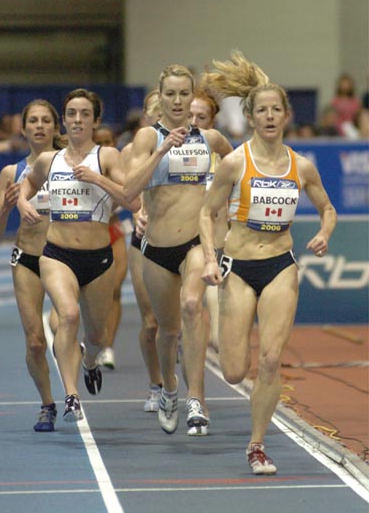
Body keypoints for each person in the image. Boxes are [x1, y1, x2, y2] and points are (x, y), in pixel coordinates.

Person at [199, 50, 337, 473]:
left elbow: (327, 209)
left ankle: (257, 445)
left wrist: (324, 233)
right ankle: (208, 316)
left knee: (271, 360)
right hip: (238, 268)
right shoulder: (236, 163)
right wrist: (209, 258)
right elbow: (206, 212)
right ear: (252, 117)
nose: (270, 116)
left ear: (287, 116)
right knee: (235, 369)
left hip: (280, 266)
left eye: (277, 109)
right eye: (262, 110)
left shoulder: (303, 166)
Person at [17, 88, 139, 423]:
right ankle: (71, 396)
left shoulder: (108, 156)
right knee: (68, 316)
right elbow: (26, 187)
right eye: (71, 113)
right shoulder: (49, 160)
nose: (77, 120)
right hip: (56, 254)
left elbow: (132, 200)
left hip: (98, 258)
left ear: (95, 120)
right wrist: (23, 203)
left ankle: (89, 361)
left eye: (84, 114)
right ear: (64, 120)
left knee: (97, 335)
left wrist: (97, 178)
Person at [124, 65, 233, 436]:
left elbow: (235, 170)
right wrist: (162, 150)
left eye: (184, 94)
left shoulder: (212, 139)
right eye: (170, 94)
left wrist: (225, 215)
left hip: (195, 245)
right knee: (167, 332)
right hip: (156, 248)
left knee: (192, 306)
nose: (177, 101)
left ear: (192, 97)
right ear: (160, 96)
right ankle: (170, 388)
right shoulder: (146, 138)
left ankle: (197, 398)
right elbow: (128, 190)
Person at [0, 99, 62, 432]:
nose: (39, 126)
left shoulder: (68, 164)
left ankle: (86, 358)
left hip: (65, 258)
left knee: (64, 326)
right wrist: (5, 208)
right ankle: (47, 404)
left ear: (55, 128)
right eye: (32, 120)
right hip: (27, 258)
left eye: (46, 120)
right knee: (35, 341)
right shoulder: (11, 173)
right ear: (23, 128)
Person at [123, 89, 164, 412]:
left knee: (182, 321)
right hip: (143, 240)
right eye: (153, 114)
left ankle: (192, 393)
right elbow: (126, 194)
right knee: (151, 322)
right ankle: (156, 385)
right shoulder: (130, 151)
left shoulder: (190, 146)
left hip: (180, 239)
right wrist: (137, 212)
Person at [189, 89, 231, 352]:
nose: (193, 122)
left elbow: (241, 178)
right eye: (189, 115)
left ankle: (214, 337)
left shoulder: (220, 151)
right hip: (180, 240)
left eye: (201, 117)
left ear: (211, 123)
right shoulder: (167, 148)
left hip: (214, 239)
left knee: (217, 337)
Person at [93, 124, 128, 370]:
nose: (106, 145)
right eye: (100, 141)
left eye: (109, 140)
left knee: (115, 290)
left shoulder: (119, 167)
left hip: (114, 231)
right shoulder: (86, 167)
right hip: (91, 234)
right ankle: (94, 339)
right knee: (93, 295)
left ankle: (108, 347)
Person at [330, 73, 361, 137]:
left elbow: (358, 116)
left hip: (353, 129)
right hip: (338, 129)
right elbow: (332, 116)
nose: (345, 86)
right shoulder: (335, 101)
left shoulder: (355, 101)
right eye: (343, 83)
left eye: (347, 83)